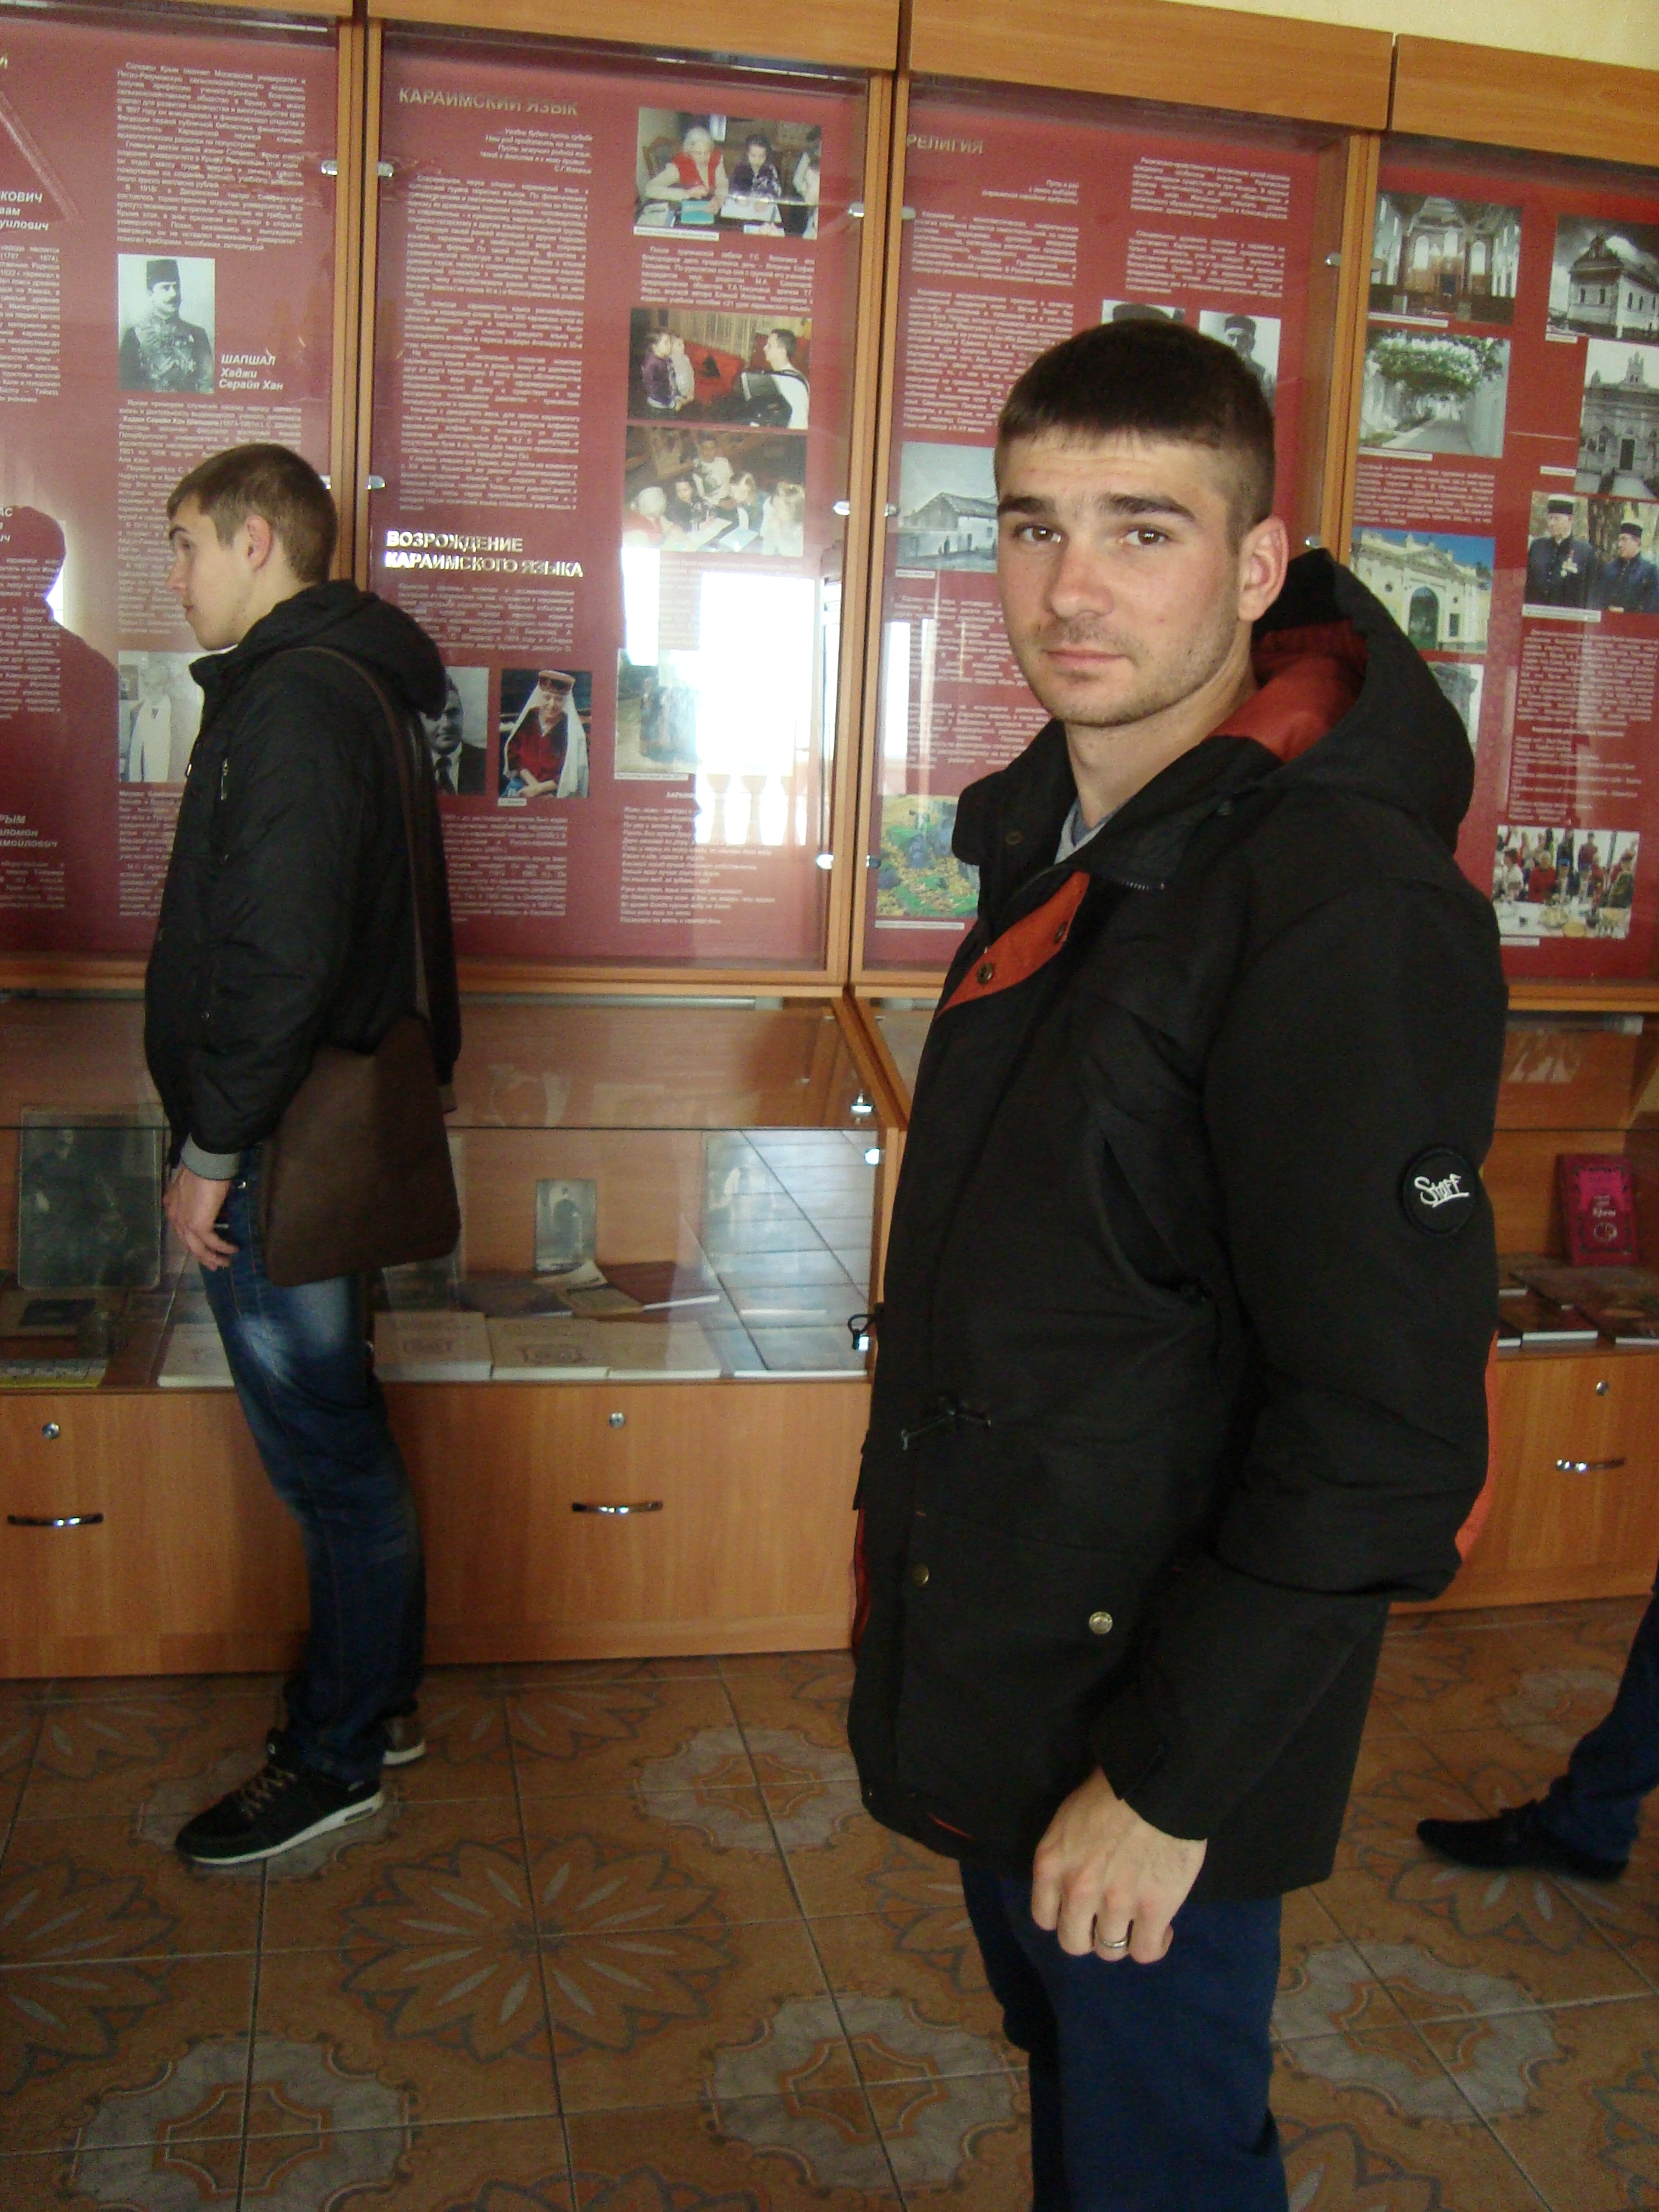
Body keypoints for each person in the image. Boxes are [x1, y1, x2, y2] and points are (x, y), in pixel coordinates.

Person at [847, 320, 1503, 2211]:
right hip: (1016, 1638)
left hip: (1161, 1711)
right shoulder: (1062, 829)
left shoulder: (1337, 898)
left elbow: (1382, 1426)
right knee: (1083, 2088)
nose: (1072, 589)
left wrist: (1170, 1786)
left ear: (1259, 559)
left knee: (1162, 2158)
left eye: (1145, 529)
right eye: (1033, 525)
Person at [145, 441, 459, 1865]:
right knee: (343, 1437)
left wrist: (213, 1147)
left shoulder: (292, 698)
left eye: (187, 543)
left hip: (278, 1144)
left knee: (328, 1457)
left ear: (257, 540)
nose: (177, 575)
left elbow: (278, 954)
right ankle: (373, 1700)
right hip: (314, 1131)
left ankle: (335, 1753)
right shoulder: (346, 683)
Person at [119, 258, 213, 394]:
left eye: (176, 287)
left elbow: (208, 385)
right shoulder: (134, 336)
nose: (173, 294)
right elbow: (126, 389)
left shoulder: (198, 335)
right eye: (166, 288)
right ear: (150, 294)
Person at [505, 668, 588, 799]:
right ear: (540, 696)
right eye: (547, 697)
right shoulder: (531, 716)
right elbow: (514, 754)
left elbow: (572, 771)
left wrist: (541, 789)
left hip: (555, 791)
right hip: (523, 783)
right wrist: (535, 787)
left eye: (559, 699)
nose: (551, 705)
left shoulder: (571, 730)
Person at [1526, 495, 1596, 606]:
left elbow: (1588, 593)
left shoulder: (1584, 551)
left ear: (1570, 520)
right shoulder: (1537, 547)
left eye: (1556, 519)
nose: (1551, 523)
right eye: (1550, 518)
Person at [642, 124, 727, 215]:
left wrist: (719, 200)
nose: (703, 158)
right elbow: (650, 189)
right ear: (688, 152)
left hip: (712, 208)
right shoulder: (679, 166)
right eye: (698, 153)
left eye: (707, 152)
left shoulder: (716, 158)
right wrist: (686, 193)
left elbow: (722, 183)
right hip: (688, 210)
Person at [422, 673, 484, 795]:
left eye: (453, 713)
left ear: (462, 714)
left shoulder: (485, 762)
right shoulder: (407, 766)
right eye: (435, 715)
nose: (446, 724)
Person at [1591, 518, 1659, 613]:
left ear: (1637, 541)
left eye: (1624, 539)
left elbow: (1652, 606)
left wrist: (1626, 611)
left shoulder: (1649, 571)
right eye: (1619, 540)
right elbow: (1597, 600)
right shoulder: (1609, 569)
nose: (1620, 544)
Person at [1220, 313, 1275, 408]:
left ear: (1252, 344)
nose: (1235, 344)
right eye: (1231, 337)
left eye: (1243, 339)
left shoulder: (1266, 378)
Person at [640, 328, 680, 413]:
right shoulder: (651, 364)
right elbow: (654, 389)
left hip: (669, 400)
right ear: (654, 346)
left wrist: (677, 395)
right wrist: (671, 404)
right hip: (658, 405)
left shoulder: (667, 360)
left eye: (670, 342)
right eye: (666, 342)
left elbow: (672, 379)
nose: (670, 345)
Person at [760, 481, 805, 557]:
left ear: (793, 510)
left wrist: (777, 532)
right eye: (775, 507)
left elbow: (791, 555)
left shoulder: (800, 530)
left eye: (780, 508)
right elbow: (766, 553)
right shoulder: (775, 526)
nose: (775, 511)